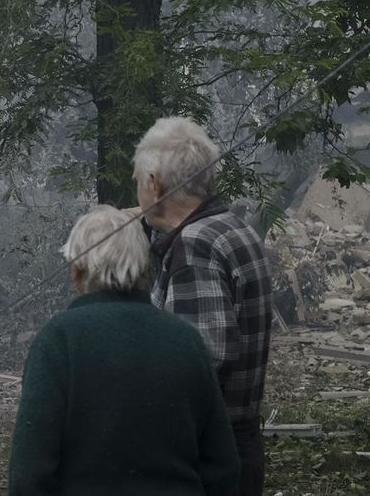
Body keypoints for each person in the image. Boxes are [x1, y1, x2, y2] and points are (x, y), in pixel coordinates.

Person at [8, 205, 240, 496]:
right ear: (143, 267)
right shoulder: (186, 340)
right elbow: (223, 466)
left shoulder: (58, 341)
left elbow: (29, 473)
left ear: (76, 270)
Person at [133, 117, 272, 496]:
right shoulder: (233, 228)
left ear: (153, 183)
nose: (137, 194)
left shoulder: (194, 246)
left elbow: (200, 362)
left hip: (205, 460)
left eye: (137, 182)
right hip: (238, 447)